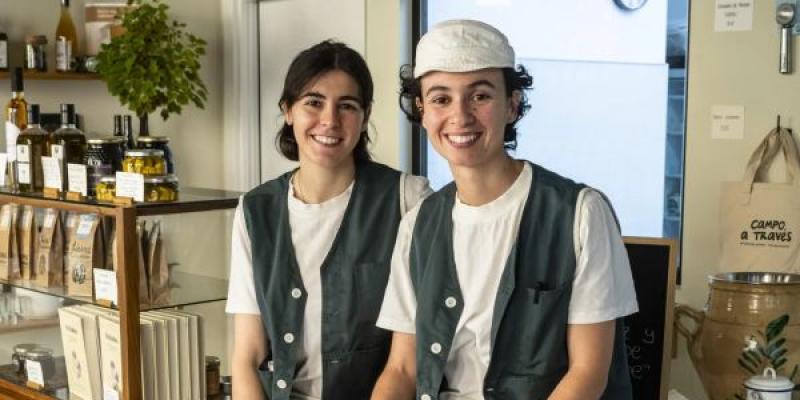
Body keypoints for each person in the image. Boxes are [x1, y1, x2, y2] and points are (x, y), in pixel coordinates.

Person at [372, 20, 638, 400]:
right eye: (440, 98)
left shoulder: (581, 212)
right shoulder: (418, 224)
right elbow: (401, 369)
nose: (460, 116)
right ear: (422, 111)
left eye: (480, 96)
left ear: (512, 105)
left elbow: (587, 375)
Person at [226, 40, 431, 400]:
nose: (330, 120)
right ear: (287, 110)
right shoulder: (254, 210)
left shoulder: (407, 199)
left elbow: (409, 359)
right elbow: (247, 355)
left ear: (365, 116)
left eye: (347, 106)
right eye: (313, 103)